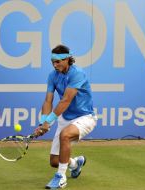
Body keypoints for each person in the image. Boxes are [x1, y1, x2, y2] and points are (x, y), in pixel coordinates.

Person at [35, 44, 97, 189]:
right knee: (55, 161)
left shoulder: (77, 74)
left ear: (68, 59)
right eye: (52, 62)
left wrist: (49, 121)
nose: (55, 65)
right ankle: (75, 164)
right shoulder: (52, 76)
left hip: (84, 117)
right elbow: (48, 100)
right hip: (65, 118)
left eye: (58, 62)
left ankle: (60, 177)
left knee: (65, 135)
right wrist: (43, 122)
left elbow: (66, 100)